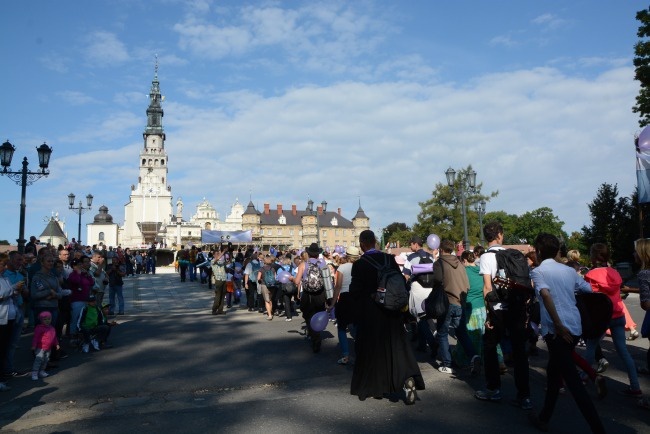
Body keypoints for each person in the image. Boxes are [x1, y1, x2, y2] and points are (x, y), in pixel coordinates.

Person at [528, 233, 605, 433]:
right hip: (575, 325)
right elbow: (588, 290)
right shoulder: (570, 271)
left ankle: (598, 428)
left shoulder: (538, 272)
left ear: (537, 251)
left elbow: (545, 295)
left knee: (572, 382)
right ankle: (544, 417)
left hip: (557, 331)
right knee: (554, 373)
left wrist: (558, 324)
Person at [349, 230, 425, 405]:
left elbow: (355, 292)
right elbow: (399, 281)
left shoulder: (360, 264)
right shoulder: (388, 259)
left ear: (362, 244)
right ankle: (406, 377)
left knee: (370, 350)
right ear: (375, 242)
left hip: (371, 311)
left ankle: (371, 387)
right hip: (392, 309)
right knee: (397, 347)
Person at [474, 221, 531, 409]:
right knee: (519, 351)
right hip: (516, 308)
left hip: (498, 308)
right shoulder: (514, 255)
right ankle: (524, 396)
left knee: (490, 346)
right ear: (500, 235)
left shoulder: (486, 257)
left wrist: (489, 315)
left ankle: (493, 389)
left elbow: (487, 287)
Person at [584, 243, 641, 396]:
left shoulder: (590, 275)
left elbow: (590, 297)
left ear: (594, 257)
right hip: (618, 315)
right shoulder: (615, 273)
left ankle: (584, 376)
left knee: (590, 348)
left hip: (601, 317)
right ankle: (635, 386)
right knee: (623, 352)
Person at [435, 239, 479, 375]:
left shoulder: (439, 263)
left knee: (442, 333)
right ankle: (473, 356)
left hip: (447, 302)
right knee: (461, 333)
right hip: (460, 302)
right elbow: (467, 285)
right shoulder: (460, 264)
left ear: (441, 249)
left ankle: (447, 364)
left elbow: (435, 281)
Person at [403, 235, 437, 358]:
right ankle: (422, 344)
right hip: (430, 288)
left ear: (416, 244)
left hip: (417, 288)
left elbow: (406, 275)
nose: (410, 246)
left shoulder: (411, 257)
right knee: (425, 315)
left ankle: (432, 344)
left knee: (419, 318)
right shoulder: (429, 256)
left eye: (411, 244)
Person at [328, 246, 360, 365]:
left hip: (345, 298)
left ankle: (345, 355)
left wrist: (332, 303)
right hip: (358, 298)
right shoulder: (360, 267)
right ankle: (361, 353)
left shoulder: (342, 267)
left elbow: (338, 286)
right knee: (357, 327)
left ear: (346, 255)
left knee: (341, 327)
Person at [295, 244, 328, 350]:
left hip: (308, 295)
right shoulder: (323, 263)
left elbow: (296, 281)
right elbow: (328, 282)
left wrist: (291, 278)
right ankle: (317, 335)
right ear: (318, 254)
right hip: (320, 294)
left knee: (308, 316)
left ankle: (314, 337)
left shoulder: (303, 264)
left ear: (308, 254)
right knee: (318, 315)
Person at [31, 311, 59, 381]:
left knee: (46, 360)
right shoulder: (39, 328)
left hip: (48, 348)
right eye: (45, 319)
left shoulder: (52, 328)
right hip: (40, 347)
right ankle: (34, 372)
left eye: (49, 319)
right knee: (39, 359)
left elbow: (54, 337)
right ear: (41, 320)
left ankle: (41, 371)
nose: (47, 321)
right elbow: (35, 337)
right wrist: (34, 345)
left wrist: (57, 344)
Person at [210, 245, 229, 315]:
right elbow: (217, 259)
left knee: (223, 295)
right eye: (217, 254)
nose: (219, 255)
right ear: (214, 255)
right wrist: (223, 251)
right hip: (218, 280)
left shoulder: (222, 262)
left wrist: (228, 255)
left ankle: (220, 309)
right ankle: (214, 309)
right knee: (218, 295)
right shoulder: (212, 261)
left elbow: (226, 268)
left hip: (224, 279)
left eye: (219, 253)